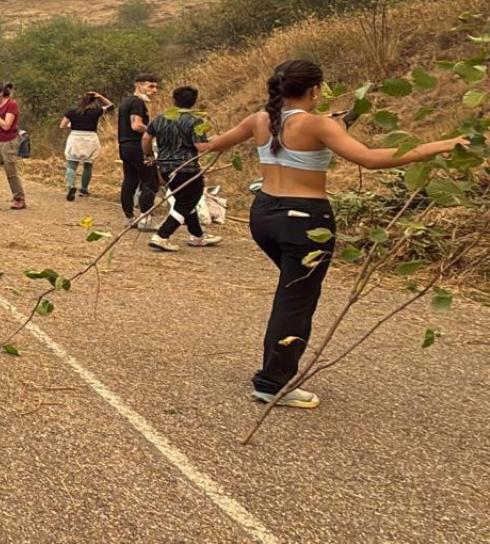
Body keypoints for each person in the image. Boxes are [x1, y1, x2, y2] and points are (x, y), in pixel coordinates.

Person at [198, 59, 465, 409]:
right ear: (315, 90)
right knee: (296, 299)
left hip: (264, 214)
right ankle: (272, 382)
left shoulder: (259, 119)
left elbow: (213, 144)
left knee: (294, 293)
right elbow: (369, 159)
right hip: (305, 220)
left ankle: (275, 372)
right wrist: (442, 145)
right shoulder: (318, 124)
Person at [143, 86, 222, 252]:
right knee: (187, 201)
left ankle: (197, 236)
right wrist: (217, 142)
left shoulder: (160, 118)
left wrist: (149, 155)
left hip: (164, 167)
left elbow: (146, 138)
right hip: (187, 167)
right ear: (194, 102)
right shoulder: (195, 121)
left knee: (185, 201)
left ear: (174, 100)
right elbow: (201, 146)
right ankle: (162, 236)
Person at [118, 74, 163, 229]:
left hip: (124, 146)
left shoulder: (125, 102)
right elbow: (136, 126)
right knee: (150, 182)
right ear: (139, 86)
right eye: (150, 86)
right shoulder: (138, 102)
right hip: (138, 147)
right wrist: (155, 131)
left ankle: (129, 217)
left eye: (156, 87)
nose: (154, 90)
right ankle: (146, 219)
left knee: (130, 180)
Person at [58, 91, 113, 201]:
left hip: (75, 137)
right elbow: (111, 106)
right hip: (91, 138)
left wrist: (71, 125)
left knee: (71, 164)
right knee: (88, 164)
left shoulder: (72, 111)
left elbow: (62, 125)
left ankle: (70, 187)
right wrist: (100, 97)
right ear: (93, 102)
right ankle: (84, 189)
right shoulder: (96, 111)